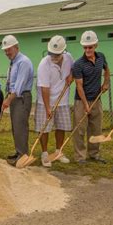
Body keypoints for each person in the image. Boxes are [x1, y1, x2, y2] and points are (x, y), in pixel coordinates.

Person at [72, 30, 110, 164]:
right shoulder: (78, 64)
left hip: (97, 99)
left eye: (90, 47)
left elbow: (107, 70)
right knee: (80, 130)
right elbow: (79, 86)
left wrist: (106, 83)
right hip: (81, 101)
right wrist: (86, 105)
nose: (88, 49)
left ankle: (94, 154)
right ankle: (80, 156)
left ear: (96, 45)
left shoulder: (101, 57)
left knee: (96, 128)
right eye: (85, 47)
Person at [35, 36, 73, 167]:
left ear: (63, 52)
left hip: (62, 99)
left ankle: (58, 151)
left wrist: (70, 76)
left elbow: (73, 69)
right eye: (51, 53)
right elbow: (45, 89)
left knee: (61, 126)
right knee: (44, 128)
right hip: (45, 101)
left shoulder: (68, 58)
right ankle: (44, 153)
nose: (54, 56)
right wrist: (47, 108)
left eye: (57, 54)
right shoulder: (43, 65)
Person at [0, 35, 34, 166]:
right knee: (16, 127)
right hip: (14, 98)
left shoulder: (23, 62)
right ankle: (19, 151)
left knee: (20, 127)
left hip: (21, 98)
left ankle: (23, 155)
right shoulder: (13, 62)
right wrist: (7, 96)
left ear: (16, 47)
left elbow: (19, 86)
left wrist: (8, 100)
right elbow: (11, 83)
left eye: (9, 49)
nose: (7, 52)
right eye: (5, 50)